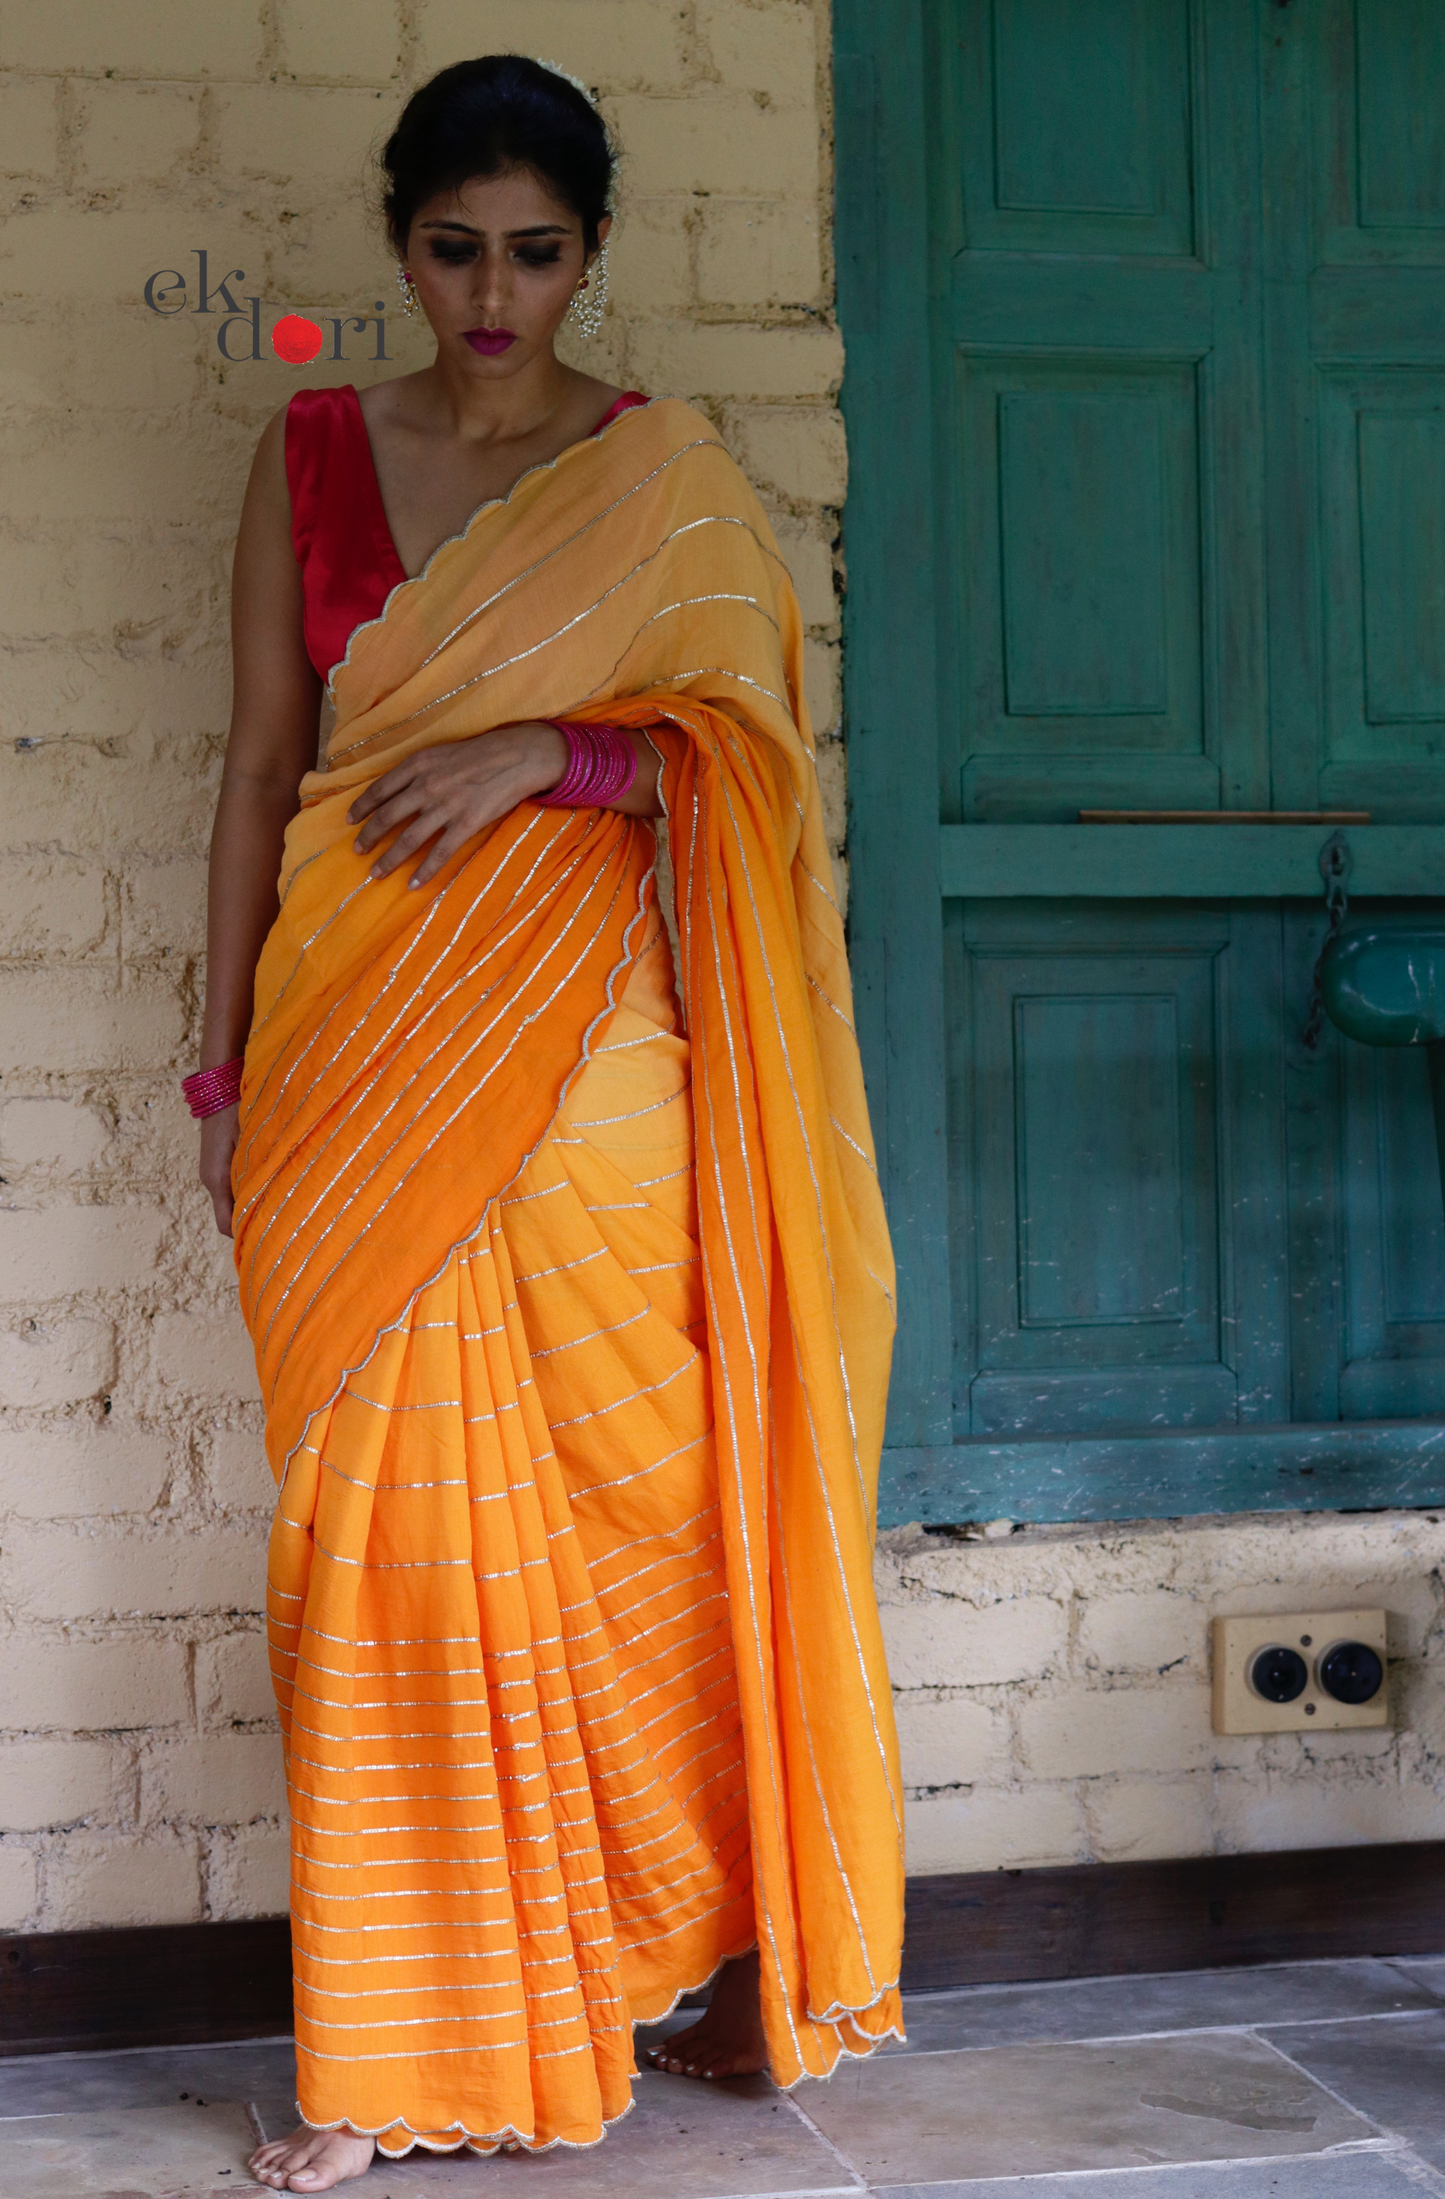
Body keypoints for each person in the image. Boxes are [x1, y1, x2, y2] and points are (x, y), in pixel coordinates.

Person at [192, 54, 903, 2195]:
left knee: (637, 1510)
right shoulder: (318, 450)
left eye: (532, 254)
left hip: (590, 1061)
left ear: (591, 255)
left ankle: (637, 1958)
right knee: (382, 1550)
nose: (487, 294)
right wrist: (216, 1056)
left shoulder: (657, 477)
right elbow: (253, 762)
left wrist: (550, 760)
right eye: (448, 249)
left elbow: (753, 764)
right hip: (345, 1045)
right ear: (397, 243)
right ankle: (395, 2050)